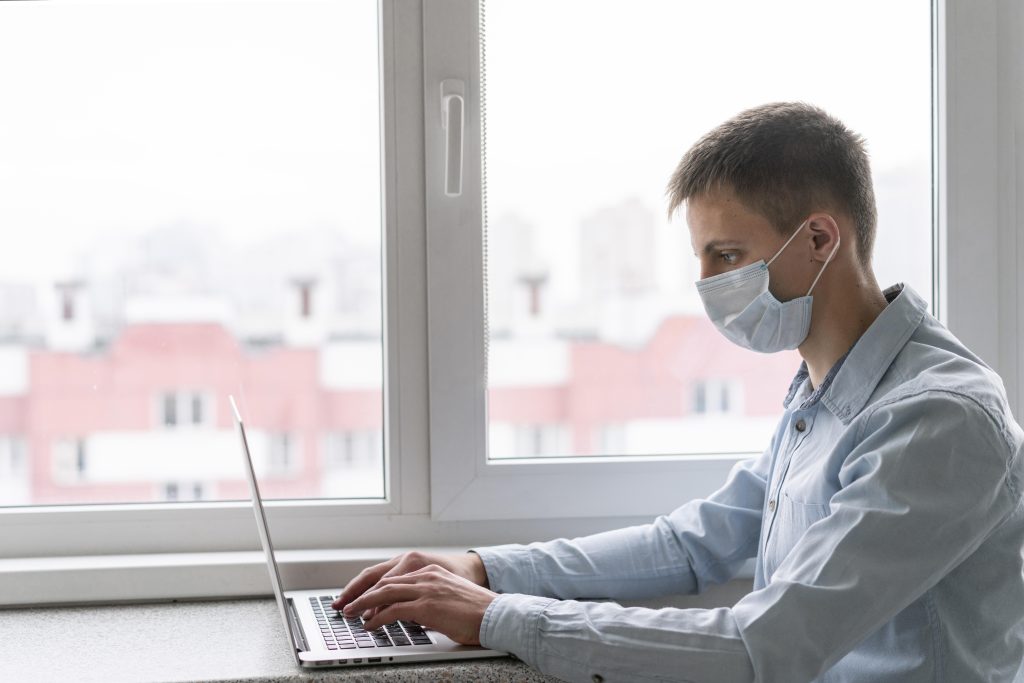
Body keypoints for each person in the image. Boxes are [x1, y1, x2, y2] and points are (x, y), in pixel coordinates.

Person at [332, 102, 1024, 682]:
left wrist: (493, 614)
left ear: (819, 238)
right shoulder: (827, 390)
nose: (707, 284)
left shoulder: (939, 420)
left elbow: (763, 646)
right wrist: (486, 568)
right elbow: (693, 544)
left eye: (725, 255)